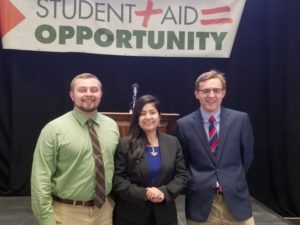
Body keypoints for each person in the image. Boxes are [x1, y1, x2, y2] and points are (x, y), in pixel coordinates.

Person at [31, 73, 120, 225]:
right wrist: (46, 220)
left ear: (101, 94)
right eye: (82, 90)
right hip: (67, 214)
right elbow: (40, 178)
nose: (89, 94)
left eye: (94, 90)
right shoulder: (54, 129)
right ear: (72, 95)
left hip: (104, 213)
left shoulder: (112, 126)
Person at [176, 70, 255, 225]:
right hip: (201, 204)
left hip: (236, 201)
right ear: (196, 94)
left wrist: (231, 178)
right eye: (205, 91)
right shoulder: (184, 125)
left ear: (223, 93)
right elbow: (182, 162)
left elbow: (247, 157)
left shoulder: (240, 120)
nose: (211, 95)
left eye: (216, 90)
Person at [112, 94, 188, 225]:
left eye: (152, 112)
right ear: (137, 118)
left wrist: (164, 192)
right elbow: (118, 180)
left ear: (159, 116)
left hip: (165, 216)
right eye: (142, 113)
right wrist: (145, 194)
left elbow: (182, 176)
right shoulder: (125, 144)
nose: (148, 117)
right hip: (131, 216)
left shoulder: (173, 142)